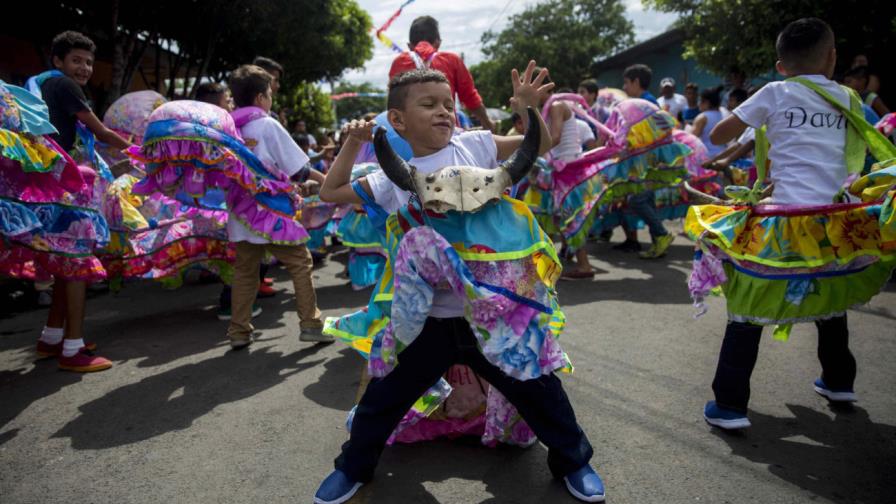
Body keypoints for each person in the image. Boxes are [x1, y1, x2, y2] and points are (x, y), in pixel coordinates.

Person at [315, 63, 605, 504]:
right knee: (383, 397)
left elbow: (539, 144)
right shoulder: (390, 179)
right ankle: (353, 468)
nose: (443, 112)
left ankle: (575, 462)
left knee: (540, 388)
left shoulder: (477, 144)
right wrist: (354, 143)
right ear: (397, 120)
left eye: (448, 104)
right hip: (427, 318)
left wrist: (529, 110)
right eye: (428, 105)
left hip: (493, 314)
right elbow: (330, 193)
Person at [695, 18, 896, 429]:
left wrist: (760, 112)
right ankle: (839, 382)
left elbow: (718, 134)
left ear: (781, 64)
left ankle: (730, 405)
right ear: (832, 57)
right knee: (830, 295)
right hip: (834, 223)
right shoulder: (849, 97)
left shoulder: (775, 91)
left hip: (784, 222)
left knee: (747, 307)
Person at [30, 31, 132, 372]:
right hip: (67, 191)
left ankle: (52, 337)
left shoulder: (44, 86)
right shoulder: (64, 87)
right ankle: (73, 351)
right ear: (58, 61)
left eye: (89, 62)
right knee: (76, 263)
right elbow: (100, 132)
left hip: (50, 185)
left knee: (64, 265)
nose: (85, 68)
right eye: (77, 60)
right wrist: (138, 151)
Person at [225, 65, 330, 348]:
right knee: (301, 263)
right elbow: (298, 169)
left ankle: (238, 332)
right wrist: (327, 180)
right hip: (271, 213)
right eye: (270, 93)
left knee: (245, 272)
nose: (271, 98)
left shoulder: (229, 128)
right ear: (261, 97)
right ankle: (311, 324)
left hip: (240, 214)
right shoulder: (267, 124)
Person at [388, 15, 495, 133]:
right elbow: (470, 98)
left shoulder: (399, 62)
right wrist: (487, 122)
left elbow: (393, 102)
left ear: (409, 46)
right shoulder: (451, 60)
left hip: (409, 137)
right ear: (438, 42)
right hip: (445, 133)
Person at [691, 86, 728, 158]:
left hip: (707, 157)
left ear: (706, 102)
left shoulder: (702, 117)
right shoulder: (725, 114)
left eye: (700, 100)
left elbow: (691, 139)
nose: (698, 104)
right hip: (723, 155)